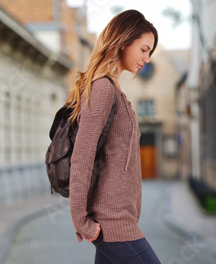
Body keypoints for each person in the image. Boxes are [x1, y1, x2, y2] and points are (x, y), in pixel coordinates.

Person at [65, 9, 161, 264]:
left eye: (150, 52)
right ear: (123, 41)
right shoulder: (103, 88)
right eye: (143, 49)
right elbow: (82, 155)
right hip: (113, 224)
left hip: (120, 221)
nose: (147, 58)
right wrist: (80, 220)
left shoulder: (115, 91)